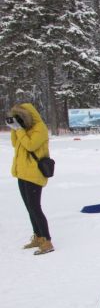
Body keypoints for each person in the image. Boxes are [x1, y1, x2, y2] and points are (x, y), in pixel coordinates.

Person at [6, 103, 54, 255]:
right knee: (29, 208)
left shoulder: (40, 128)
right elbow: (16, 144)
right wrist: (15, 128)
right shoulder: (24, 130)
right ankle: (38, 237)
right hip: (22, 173)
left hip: (34, 174)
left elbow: (30, 145)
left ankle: (47, 241)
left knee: (35, 207)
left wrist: (20, 129)